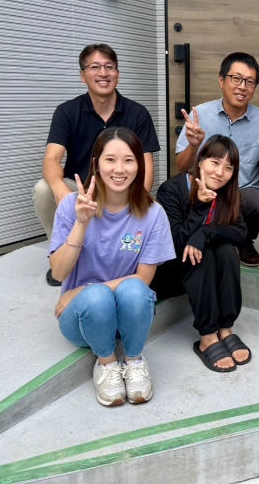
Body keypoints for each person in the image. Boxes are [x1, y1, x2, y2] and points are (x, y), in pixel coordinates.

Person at [50, 128, 175, 407]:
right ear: (96, 163)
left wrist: (82, 288)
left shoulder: (153, 213)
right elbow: (58, 273)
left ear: (139, 165)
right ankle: (106, 364)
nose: (119, 169)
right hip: (83, 317)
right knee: (97, 298)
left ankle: (134, 360)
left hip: (129, 315)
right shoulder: (71, 205)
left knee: (134, 289)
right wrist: (81, 223)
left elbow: (143, 279)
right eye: (110, 160)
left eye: (129, 160)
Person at [34, 43, 160, 286]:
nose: (103, 73)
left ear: (118, 74)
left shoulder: (137, 113)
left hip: (122, 188)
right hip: (82, 188)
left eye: (109, 67)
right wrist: (61, 191)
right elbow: (51, 159)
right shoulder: (67, 111)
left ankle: (120, 261)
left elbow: (146, 166)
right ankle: (61, 255)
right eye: (95, 67)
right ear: (82, 75)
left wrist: (139, 198)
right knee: (43, 189)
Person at [176, 52, 259, 267]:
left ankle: (244, 239)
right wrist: (193, 146)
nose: (242, 87)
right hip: (203, 189)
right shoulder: (201, 114)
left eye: (250, 82)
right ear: (221, 80)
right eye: (236, 78)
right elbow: (181, 167)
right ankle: (204, 235)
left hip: (240, 195)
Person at [157, 135, 250, 372]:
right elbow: (174, 244)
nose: (220, 173)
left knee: (226, 250)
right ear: (200, 161)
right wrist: (199, 208)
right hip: (171, 272)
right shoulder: (171, 190)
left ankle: (225, 328)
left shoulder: (228, 194)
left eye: (228, 168)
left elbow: (241, 234)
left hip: (204, 270)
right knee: (203, 252)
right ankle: (207, 336)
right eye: (215, 162)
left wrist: (206, 233)